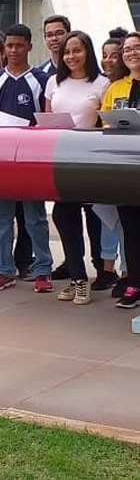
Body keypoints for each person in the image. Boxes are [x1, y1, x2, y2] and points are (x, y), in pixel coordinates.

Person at [0, 23, 53, 293]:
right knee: (1, 218)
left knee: (35, 218)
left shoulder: (41, 81)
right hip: (1, 163)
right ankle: (4, 269)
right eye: (9, 46)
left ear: (30, 46)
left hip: (30, 163)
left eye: (19, 45)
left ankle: (43, 269)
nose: (13, 50)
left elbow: (45, 121)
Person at [44, 31, 109, 305]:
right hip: (60, 158)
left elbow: (106, 123)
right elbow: (46, 118)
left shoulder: (103, 83)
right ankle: (77, 277)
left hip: (90, 158)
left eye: (77, 51)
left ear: (87, 52)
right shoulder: (53, 82)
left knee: (94, 217)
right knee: (63, 214)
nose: (71, 56)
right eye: (67, 52)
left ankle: (102, 271)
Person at [101, 30, 140, 307]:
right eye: (127, 49)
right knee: (130, 229)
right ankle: (135, 283)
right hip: (125, 168)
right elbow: (104, 121)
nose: (130, 53)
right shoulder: (116, 87)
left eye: (136, 48)